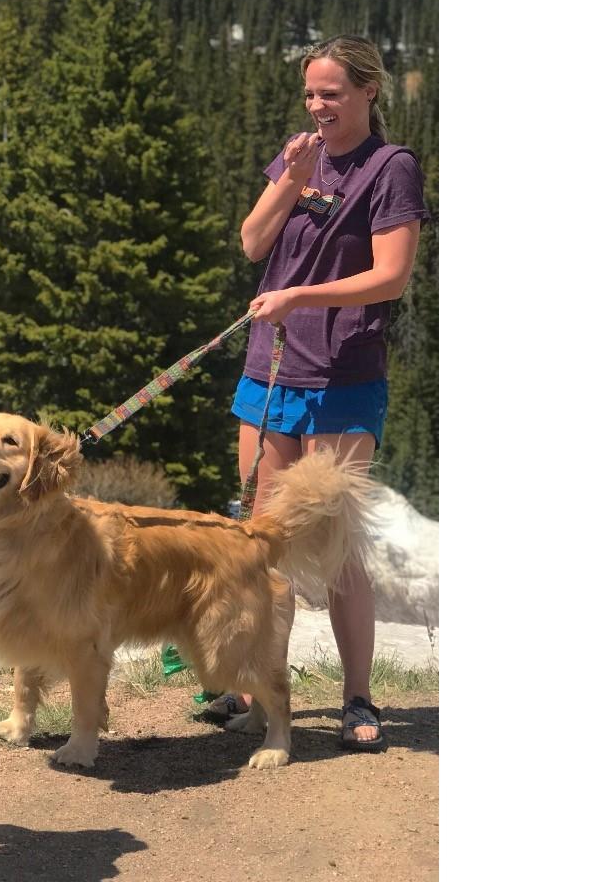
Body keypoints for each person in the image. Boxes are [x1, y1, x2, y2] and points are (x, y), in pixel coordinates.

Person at [203, 37, 429, 752]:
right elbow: (250, 241)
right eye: (310, 94)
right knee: (259, 537)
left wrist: (299, 296)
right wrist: (290, 179)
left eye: (332, 93)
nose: (318, 106)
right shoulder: (302, 155)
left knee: (334, 548)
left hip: (344, 372)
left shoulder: (392, 168)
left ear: (369, 92)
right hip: (270, 367)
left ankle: (357, 697)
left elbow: (390, 275)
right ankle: (257, 690)